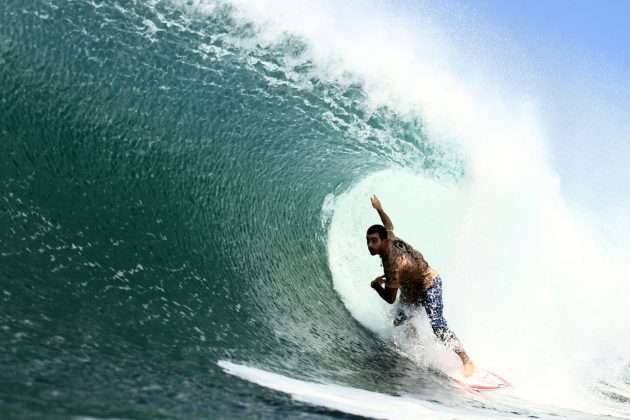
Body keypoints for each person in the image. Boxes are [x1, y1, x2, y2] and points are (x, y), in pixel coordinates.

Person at [367, 194, 476, 377]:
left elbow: (391, 298)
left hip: (429, 283)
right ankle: (417, 344)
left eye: (374, 241)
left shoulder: (392, 265)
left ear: (384, 241)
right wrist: (379, 208)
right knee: (400, 322)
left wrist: (376, 286)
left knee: (438, 326)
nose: (370, 245)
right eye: (368, 241)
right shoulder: (391, 237)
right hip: (411, 288)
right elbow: (389, 225)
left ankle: (467, 361)